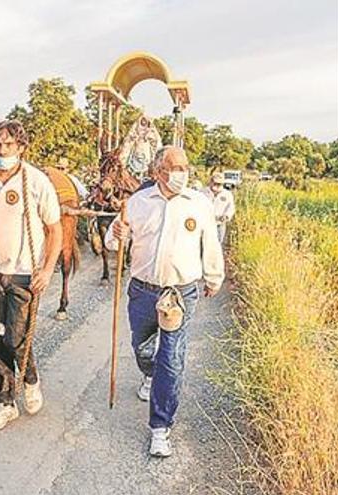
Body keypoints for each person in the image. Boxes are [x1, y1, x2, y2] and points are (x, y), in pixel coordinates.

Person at [105, 146, 224, 458]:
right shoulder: (138, 202)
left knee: (170, 359)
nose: (181, 173)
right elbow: (114, 242)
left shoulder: (199, 203)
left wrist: (213, 277)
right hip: (142, 290)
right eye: (174, 167)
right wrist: (116, 232)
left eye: (185, 167)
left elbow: (210, 241)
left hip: (179, 293)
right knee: (142, 348)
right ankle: (148, 373)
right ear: (158, 171)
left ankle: (160, 427)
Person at [0, 120, 62, 431]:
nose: (1, 150)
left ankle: (30, 377)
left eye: (8, 145)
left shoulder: (36, 182)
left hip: (25, 273)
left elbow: (55, 230)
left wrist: (48, 268)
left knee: (15, 338)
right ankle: (4, 402)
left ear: (21, 148)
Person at [201, 172, 235, 243]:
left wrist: (226, 216)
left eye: (219, 184)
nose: (217, 185)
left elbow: (231, 208)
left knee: (218, 244)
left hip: (219, 224)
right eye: (215, 183)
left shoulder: (227, 195)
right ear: (211, 181)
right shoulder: (202, 192)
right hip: (205, 224)